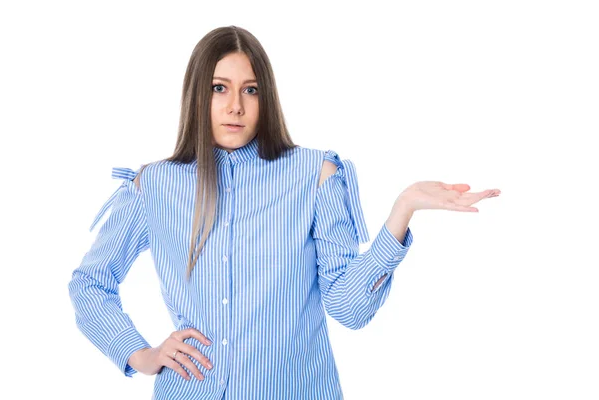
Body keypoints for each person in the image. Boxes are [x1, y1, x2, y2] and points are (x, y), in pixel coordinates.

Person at [68, 25, 501, 400]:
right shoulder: (154, 185)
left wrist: (401, 211)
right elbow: (90, 283)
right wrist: (139, 353)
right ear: (197, 94)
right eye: (220, 88)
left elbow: (350, 309)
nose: (235, 105)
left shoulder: (314, 175)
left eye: (249, 90)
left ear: (266, 97)